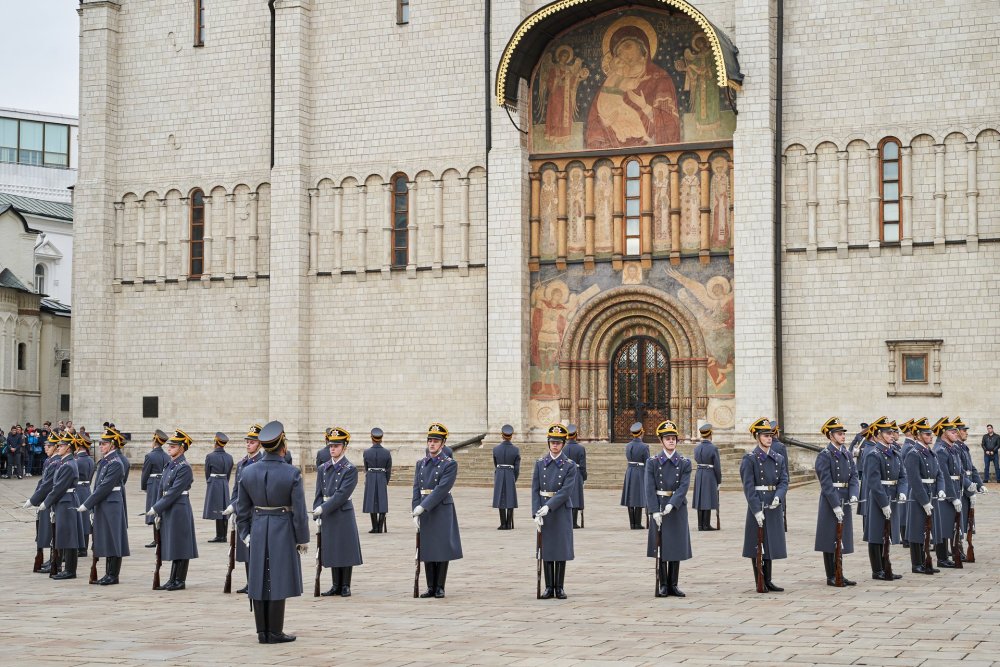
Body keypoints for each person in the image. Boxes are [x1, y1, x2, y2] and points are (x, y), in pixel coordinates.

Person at [236, 421, 309, 643]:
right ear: (282, 445)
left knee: (259, 578)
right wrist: (302, 538)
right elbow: (299, 512)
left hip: (258, 528)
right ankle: (275, 632)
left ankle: (262, 632)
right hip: (283, 528)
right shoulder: (292, 473)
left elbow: (242, 509)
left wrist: (245, 534)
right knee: (277, 578)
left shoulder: (248, 471)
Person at [412, 422, 463, 599]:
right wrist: (415, 509)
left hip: (441, 508)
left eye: (436, 441)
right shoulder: (421, 464)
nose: (432, 444)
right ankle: (430, 586)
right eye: (430, 441)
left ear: (443, 444)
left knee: (441, 547)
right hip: (424, 509)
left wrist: (423, 506)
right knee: (427, 547)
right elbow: (416, 488)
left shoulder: (449, 464)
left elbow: (442, 489)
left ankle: (440, 586)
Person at [312, 426, 362, 597]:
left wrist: (322, 509)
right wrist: (316, 513)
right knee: (332, 547)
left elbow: (342, 495)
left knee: (345, 548)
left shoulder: (350, 469)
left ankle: (345, 584)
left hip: (342, 512)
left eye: (336, 446)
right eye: (331, 446)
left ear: (344, 447)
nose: (332, 449)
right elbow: (318, 493)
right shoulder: (323, 468)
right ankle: (335, 584)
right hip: (327, 513)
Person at [740, 417, 789, 592]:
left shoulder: (778, 458)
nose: (769, 438)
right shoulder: (750, 459)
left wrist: (779, 496)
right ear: (757, 437)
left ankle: (768, 580)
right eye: (765, 435)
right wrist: (756, 510)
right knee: (757, 542)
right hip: (758, 503)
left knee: (770, 542)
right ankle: (759, 580)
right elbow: (748, 487)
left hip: (772, 503)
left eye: (770, 435)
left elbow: (784, 480)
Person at [147, 429, 199, 591]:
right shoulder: (170, 464)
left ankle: (179, 580)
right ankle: (172, 579)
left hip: (179, 508)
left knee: (181, 544)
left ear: (182, 448)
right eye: (169, 445)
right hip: (169, 508)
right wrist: (159, 508)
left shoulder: (184, 467)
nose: (169, 448)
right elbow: (162, 488)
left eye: (173, 446)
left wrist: (157, 507)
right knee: (174, 543)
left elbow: (174, 492)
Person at [645, 420, 692, 597]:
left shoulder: (684, 462)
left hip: (676, 508)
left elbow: (684, 486)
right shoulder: (653, 462)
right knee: (662, 547)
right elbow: (649, 488)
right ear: (661, 441)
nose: (671, 441)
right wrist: (654, 510)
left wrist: (673, 503)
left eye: (673, 438)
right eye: (667, 438)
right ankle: (663, 584)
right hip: (659, 505)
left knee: (676, 546)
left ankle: (674, 583)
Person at [532, 424, 578, 599]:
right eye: (552, 442)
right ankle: (548, 587)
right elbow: (535, 489)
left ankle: (559, 587)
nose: (555, 446)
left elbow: (566, 491)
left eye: (558, 443)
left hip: (560, 510)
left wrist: (549, 506)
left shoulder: (569, 465)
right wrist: (535, 512)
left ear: (563, 444)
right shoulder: (540, 463)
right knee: (546, 549)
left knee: (560, 549)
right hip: (543, 510)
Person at [79, 427, 129, 585]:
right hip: (104, 503)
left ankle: (113, 574)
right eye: (100, 443)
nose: (101, 446)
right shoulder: (106, 461)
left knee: (114, 538)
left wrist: (87, 504)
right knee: (107, 538)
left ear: (112, 445)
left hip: (111, 504)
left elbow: (104, 487)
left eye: (104, 443)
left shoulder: (115, 463)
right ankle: (108, 573)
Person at [859, 417, 906, 581]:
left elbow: (903, 476)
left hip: (892, 495)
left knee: (887, 533)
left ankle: (886, 566)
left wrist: (902, 491)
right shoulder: (873, 454)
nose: (892, 435)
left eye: (892, 433)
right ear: (878, 435)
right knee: (876, 533)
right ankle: (877, 569)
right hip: (879, 497)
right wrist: (884, 503)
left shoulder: (895, 453)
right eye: (888, 433)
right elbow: (873, 482)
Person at [814, 417, 859, 586]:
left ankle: (839, 571)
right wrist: (835, 505)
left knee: (841, 537)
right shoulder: (824, 455)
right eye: (839, 434)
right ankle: (831, 575)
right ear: (831, 436)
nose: (843, 436)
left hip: (844, 498)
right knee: (829, 537)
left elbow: (854, 475)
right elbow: (826, 483)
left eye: (843, 433)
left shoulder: (846, 454)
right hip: (830, 501)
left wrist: (853, 494)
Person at [223, 423, 264, 594]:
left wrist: (235, 505)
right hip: (243, 512)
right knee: (245, 548)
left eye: (252, 442)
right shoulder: (241, 464)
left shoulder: (261, 463)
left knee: (255, 549)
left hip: (255, 510)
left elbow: (254, 491)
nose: (248, 444)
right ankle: (249, 582)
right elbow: (236, 489)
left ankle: (257, 582)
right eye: (247, 441)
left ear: (259, 444)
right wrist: (233, 505)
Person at [38, 432, 85, 579]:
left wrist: (46, 502)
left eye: (62, 446)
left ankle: (70, 570)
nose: (59, 447)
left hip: (67, 502)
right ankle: (63, 567)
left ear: (69, 448)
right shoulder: (65, 463)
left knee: (69, 536)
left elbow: (58, 488)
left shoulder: (69, 465)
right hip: (63, 502)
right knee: (63, 535)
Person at [903, 417, 945, 574]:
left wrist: (941, 489)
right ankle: (917, 563)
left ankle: (926, 561)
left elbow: (939, 474)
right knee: (917, 529)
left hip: (932, 492)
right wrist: (924, 501)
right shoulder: (913, 454)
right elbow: (914, 480)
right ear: (918, 435)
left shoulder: (931, 452)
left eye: (930, 434)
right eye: (927, 434)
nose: (930, 436)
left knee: (929, 528)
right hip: (918, 496)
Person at [932, 417, 974, 568]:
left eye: (956, 431)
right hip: (945, 492)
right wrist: (952, 497)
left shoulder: (953, 448)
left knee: (952, 525)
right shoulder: (940, 451)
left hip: (956, 489)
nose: (956, 434)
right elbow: (944, 476)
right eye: (952, 432)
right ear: (944, 433)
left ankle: (950, 555)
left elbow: (960, 471)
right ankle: (942, 558)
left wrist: (969, 486)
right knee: (943, 525)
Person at [29, 434, 60, 572]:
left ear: (55, 447)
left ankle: (55, 559)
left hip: (50, 499)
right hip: (45, 498)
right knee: (48, 530)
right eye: (46, 445)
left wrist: (34, 499)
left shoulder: (56, 462)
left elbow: (48, 484)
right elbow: (42, 481)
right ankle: (52, 558)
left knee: (53, 531)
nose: (45, 448)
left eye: (48, 446)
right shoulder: (50, 460)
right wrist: (35, 497)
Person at [141, 430, 171, 548]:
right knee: (161, 510)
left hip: (153, 484)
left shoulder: (150, 456)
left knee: (154, 510)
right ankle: (162, 538)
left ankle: (156, 539)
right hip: (163, 483)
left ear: (155, 440)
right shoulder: (167, 456)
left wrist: (144, 486)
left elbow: (145, 473)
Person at [203, 432, 234, 543]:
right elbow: (229, 473)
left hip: (214, 482)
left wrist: (209, 481)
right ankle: (223, 535)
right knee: (224, 508)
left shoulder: (210, 456)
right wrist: (224, 482)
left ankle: (220, 536)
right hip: (224, 482)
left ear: (215, 442)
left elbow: (207, 472)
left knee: (217, 509)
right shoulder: (229, 457)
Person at [362, 427, 393, 534]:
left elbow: (366, 468)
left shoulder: (366, 452)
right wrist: (386, 480)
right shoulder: (387, 453)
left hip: (371, 476)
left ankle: (374, 527)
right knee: (382, 501)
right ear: (381, 439)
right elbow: (388, 469)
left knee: (371, 501)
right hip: (382, 476)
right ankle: (380, 527)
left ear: (372, 438)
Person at [692, 423, 721, 531]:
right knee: (707, 498)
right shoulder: (713, 448)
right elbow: (717, 466)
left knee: (700, 499)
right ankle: (706, 525)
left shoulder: (697, 448)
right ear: (710, 434)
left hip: (699, 473)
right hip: (709, 474)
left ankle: (700, 525)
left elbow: (696, 459)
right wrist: (719, 480)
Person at [492, 424, 521, 530]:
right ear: (511, 436)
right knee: (510, 498)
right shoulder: (516, 450)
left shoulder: (496, 449)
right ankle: (508, 524)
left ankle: (503, 523)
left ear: (502, 435)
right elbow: (517, 468)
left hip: (500, 473)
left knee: (500, 497)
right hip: (510, 473)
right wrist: (514, 478)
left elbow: (495, 464)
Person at [621, 422, 649, 529]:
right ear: (641, 432)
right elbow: (647, 462)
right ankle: (637, 523)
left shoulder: (628, 445)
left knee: (630, 497)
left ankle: (632, 523)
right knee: (638, 496)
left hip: (630, 471)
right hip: (640, 472)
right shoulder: (644, 446)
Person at [563, 424, 587, 529]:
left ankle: (568, 521)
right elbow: (582, 466)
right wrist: (584, 476)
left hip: (565, 473)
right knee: (576, 497)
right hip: (576, 473)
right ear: (576, 435)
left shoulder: (563, 448)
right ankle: (574, 522)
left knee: (567, 496)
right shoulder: (580, 448)